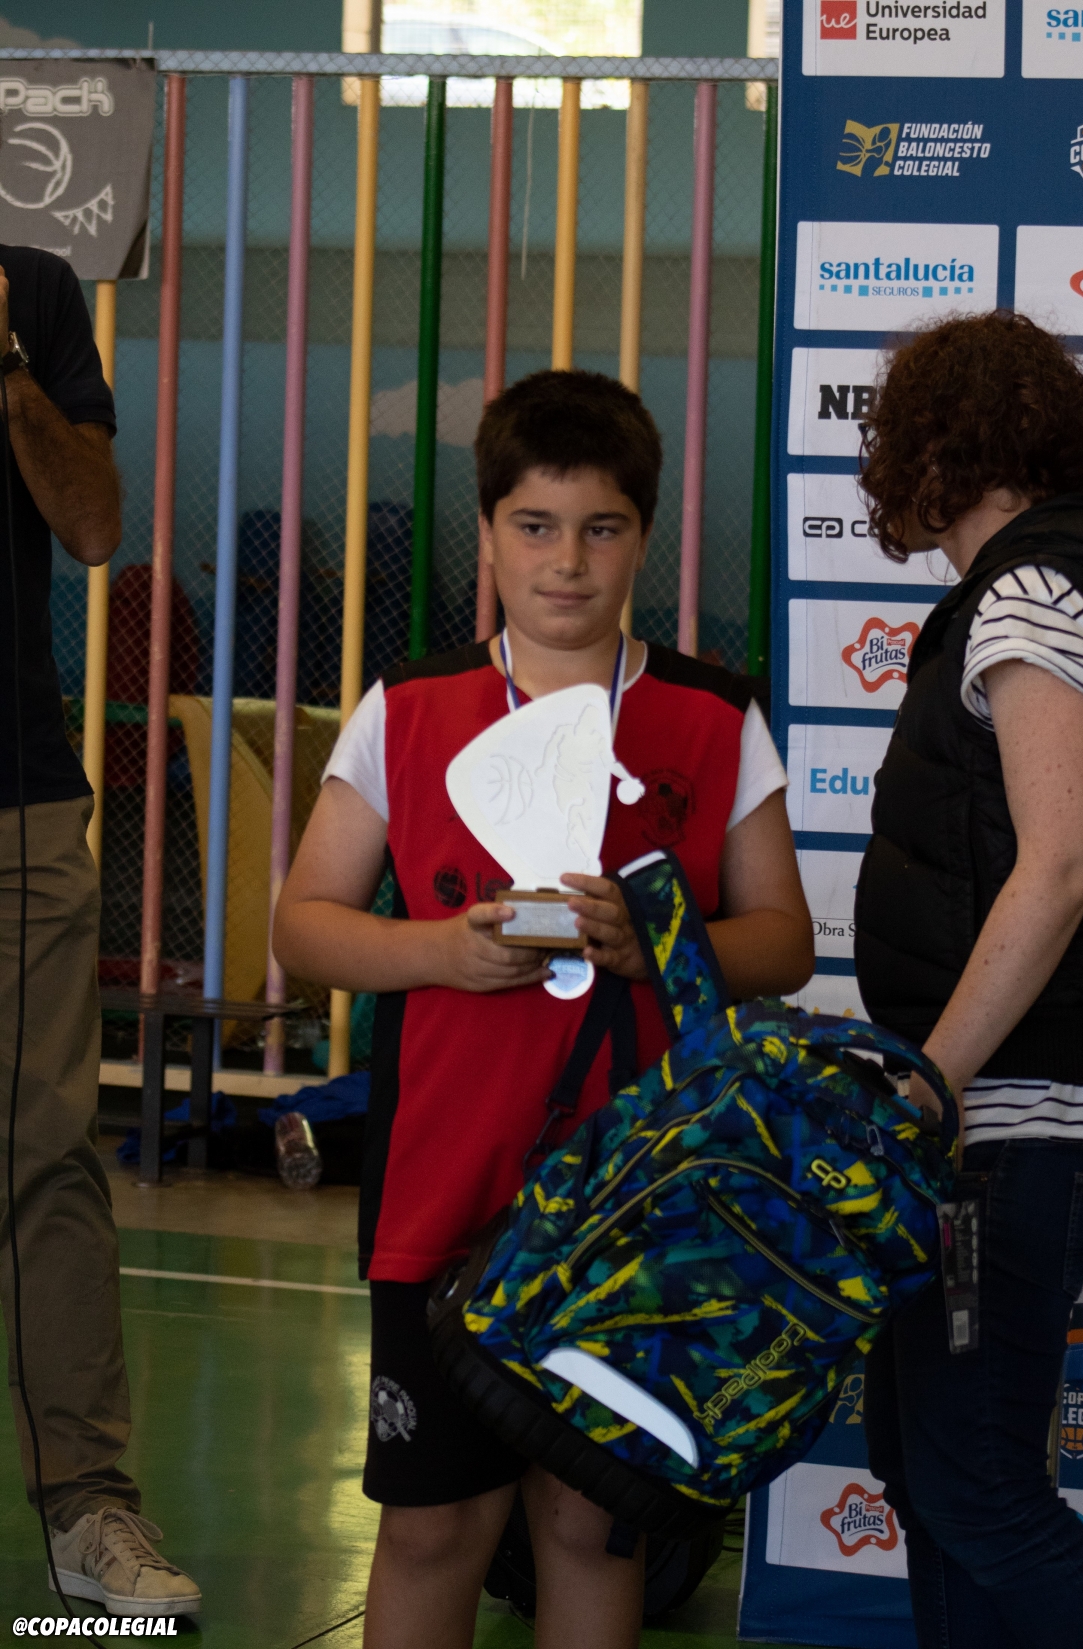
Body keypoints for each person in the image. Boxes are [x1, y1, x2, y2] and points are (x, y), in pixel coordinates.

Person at [274, 368, 814, 1649]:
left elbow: (784, 939)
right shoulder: (405, 709)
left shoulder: (711, 714)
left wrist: (660, 943)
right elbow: (303, 923)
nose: (566, 561)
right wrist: (438, 951)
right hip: (440, 1185)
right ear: (486, 532)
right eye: (534, 524)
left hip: (638, 1195)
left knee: (588, 1523)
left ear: (642, 533)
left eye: (599, 527)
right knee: (431, 1526)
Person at [854, 311, 1083, 1646]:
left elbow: (1058, 866)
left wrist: (930, 1083)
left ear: (928, 450)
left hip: (1017, 1121)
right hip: (1007, 1122)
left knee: (975, 1481)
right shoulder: (1049, 579)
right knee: (930, 1470)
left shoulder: (1030, 595)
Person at [0, 247, 201, 1615]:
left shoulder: (32, 294)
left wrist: (7, 370)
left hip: (14, 799)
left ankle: (86, 1505)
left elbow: (92, 526)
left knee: (46, 1152)